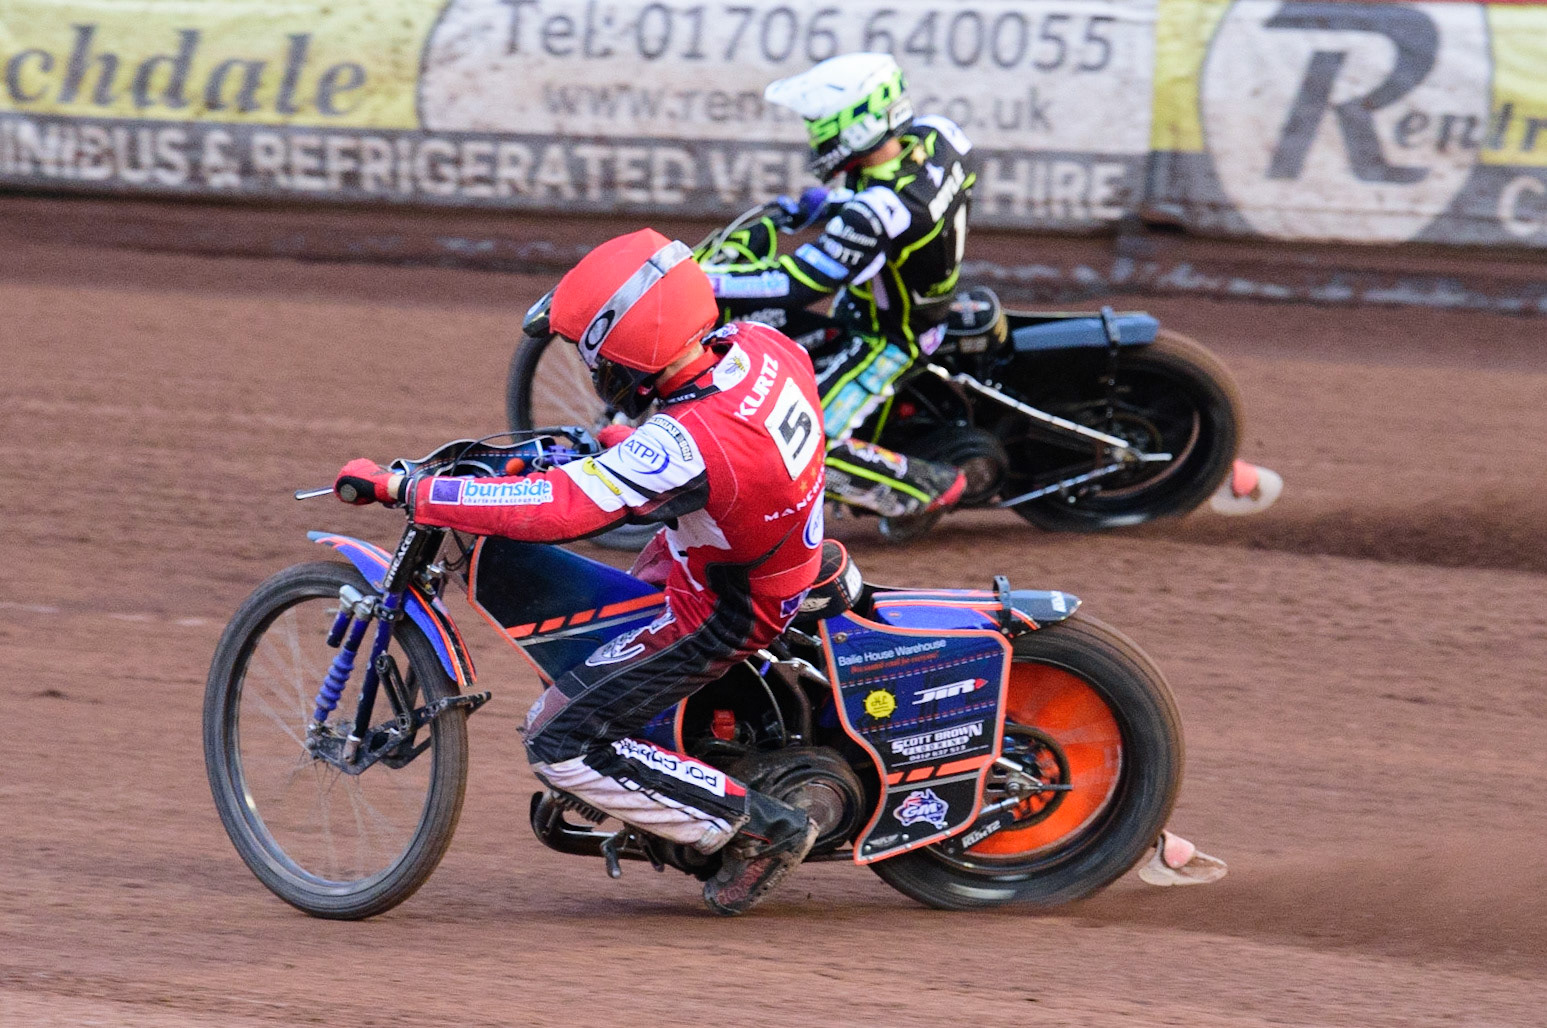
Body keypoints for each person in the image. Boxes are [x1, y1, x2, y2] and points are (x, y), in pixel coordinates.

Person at [332, 228, 828, 915]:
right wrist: (626, 448)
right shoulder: (758, 346)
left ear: (623, 344)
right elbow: (720, 446)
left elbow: (561, 507)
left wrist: (410, 490)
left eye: (587, 350)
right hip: (764, 548)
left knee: (558, 738)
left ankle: (761, 829)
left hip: (726, 609)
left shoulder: (689, 441)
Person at [703, 52, 974, 524]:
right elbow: (899, 191)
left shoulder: (876, 214)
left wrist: (706, 281)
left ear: (861, 127)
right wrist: (829, 204)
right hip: (898, 298)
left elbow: (797, 283)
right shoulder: (940, 135)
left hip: (890, 337)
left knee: (799, 444)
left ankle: (921, 486)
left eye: (822, 128)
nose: (814, 138)